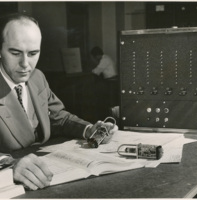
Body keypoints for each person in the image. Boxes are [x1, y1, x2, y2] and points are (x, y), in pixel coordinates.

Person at [0, 13, 118, 191]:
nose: (25, 64)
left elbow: (58, 117)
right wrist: (10, 165)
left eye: (33, 53)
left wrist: (88, 130)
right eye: (15, 53)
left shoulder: (37, 77)